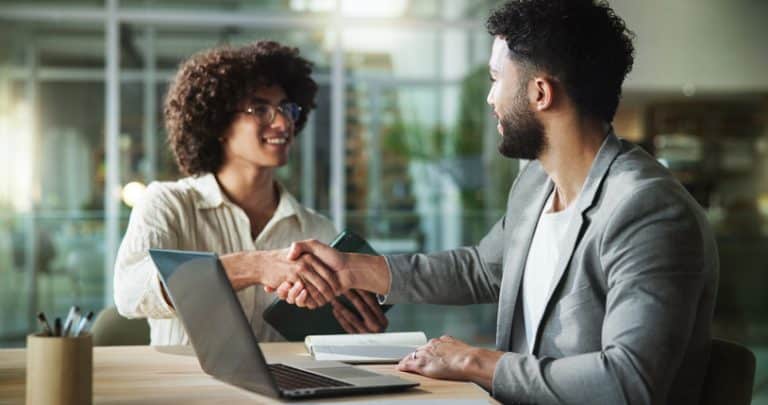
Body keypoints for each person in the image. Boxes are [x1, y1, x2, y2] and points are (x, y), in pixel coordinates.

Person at [274, 1, 719, 403]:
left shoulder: (648, 211)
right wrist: (353, 269)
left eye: (495, 79)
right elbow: (482, 269)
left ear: (540, 93)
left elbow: (629, 382)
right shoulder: (536, 185)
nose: (490, 98)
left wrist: (474, 361)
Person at [113, 41, 386, 346]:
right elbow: (130, 293)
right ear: (219, 123)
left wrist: (360, 338)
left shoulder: (317, 231)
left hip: (285, 378)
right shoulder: (168, 204)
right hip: (184, 378)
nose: (282, 123)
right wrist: (256, 266)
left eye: (286, 109)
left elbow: (324, 344)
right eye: (260, 109)